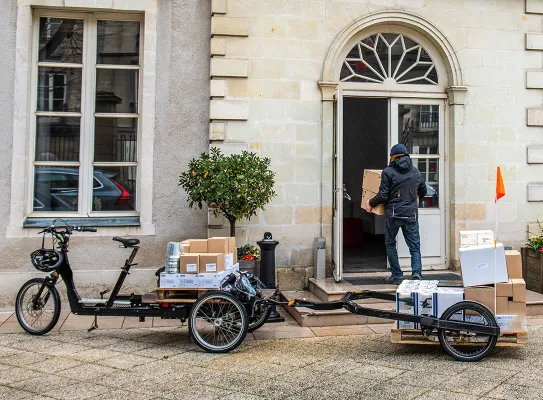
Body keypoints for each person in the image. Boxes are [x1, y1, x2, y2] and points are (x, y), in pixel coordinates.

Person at [365, 144, 427, 285]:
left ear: (392, 157)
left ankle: (397, 275)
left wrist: (370, 203)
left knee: (391, 244)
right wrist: (415, 198)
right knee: (415, 247)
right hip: (411, 215)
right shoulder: (416, 172)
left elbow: (383, 195)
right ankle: (416, 274)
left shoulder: (388, 172)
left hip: (394, 215)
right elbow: (423, 191)